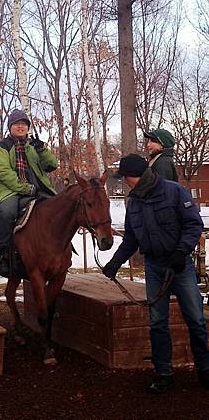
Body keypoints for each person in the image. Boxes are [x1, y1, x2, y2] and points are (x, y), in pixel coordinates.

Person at [103, 154, 209, 394]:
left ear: (135, 176)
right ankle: (163, 373)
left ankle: (205, 368)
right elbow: (131, 238)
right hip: (154, 267)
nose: (124, 182)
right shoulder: (134, 202)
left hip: (179, 266)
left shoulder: (174, 192)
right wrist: (115, 263)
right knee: (158, 323)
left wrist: (181, 252)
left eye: (125, 178)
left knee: (196, 320)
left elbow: (193, 225)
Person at [0, 108, 58, 274]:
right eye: (16, 124)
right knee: (7, 212)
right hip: (10, 191)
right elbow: (4, 173)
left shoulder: (33, 146)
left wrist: (42, 150)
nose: (21, 127)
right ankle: (0, 252)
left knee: (58, 210)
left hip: (37, 189)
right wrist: (25, 188)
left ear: (28, 127)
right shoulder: (2, 148)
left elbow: (52, 165)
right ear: (10, 127)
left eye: (24, 124)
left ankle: (60, 250)